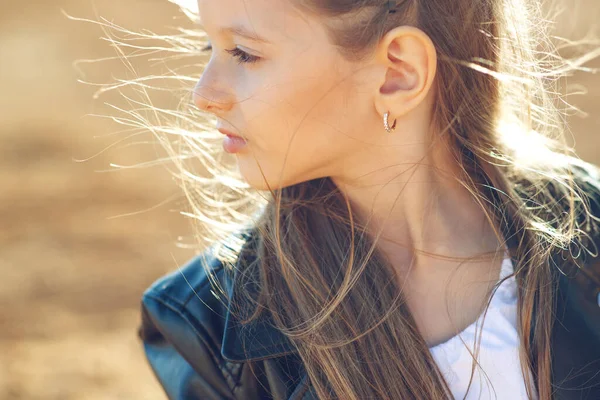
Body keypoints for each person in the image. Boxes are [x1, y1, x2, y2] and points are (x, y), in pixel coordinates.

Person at [136, 0, 600, 398]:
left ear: (396, 74)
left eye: (244, 53)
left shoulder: (591, 227)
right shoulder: (206, 329)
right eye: (208, 48)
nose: (203, 95)